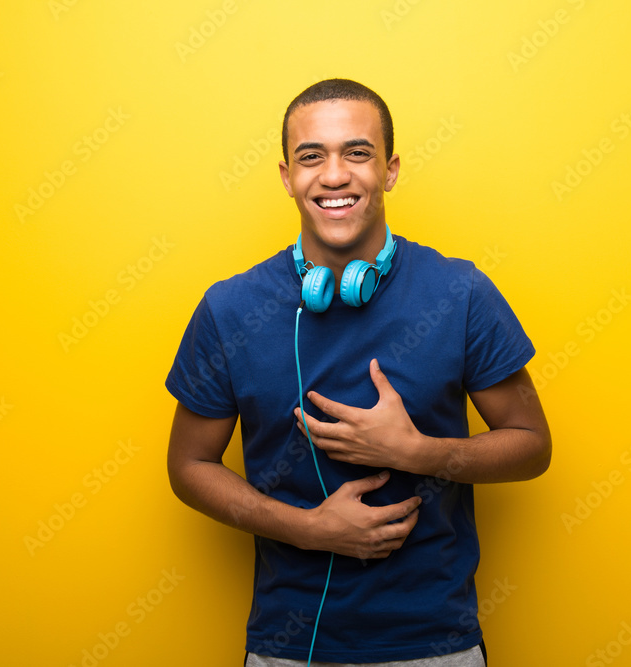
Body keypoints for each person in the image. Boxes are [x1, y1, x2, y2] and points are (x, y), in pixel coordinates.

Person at [166, 78, 551, 666]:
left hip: (436, 644)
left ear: (390, 170)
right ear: (287, 176)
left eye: (358, 153)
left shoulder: (461, 292)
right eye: (311, 157)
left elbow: (532, 448)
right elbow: (188, 465)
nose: (335, 175)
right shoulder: (230, 309)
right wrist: (304, 528)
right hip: (288, 646)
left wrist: (417, 453)